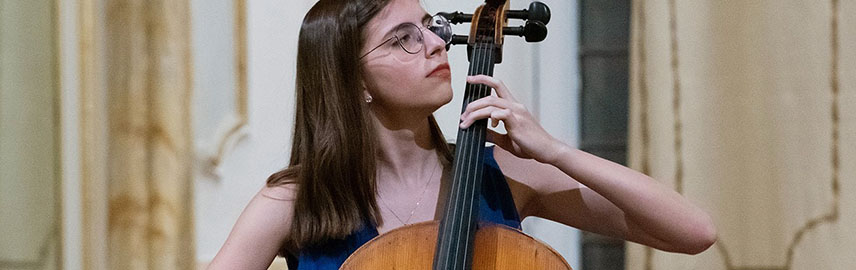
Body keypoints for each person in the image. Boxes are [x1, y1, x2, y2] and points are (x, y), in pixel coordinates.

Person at [207, 0, 717, 269]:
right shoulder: (297, 199)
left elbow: (693, 232)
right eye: (403, 39)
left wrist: (557, 152)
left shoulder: (502, 174)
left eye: (430, 27)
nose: (434, 45)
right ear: (353, 81)